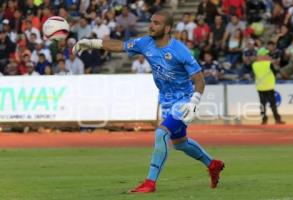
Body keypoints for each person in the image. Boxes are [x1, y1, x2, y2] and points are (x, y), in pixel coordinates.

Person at [73, 10, 224, 193]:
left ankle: (150, 182)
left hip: (182, 102)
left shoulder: (180, 50)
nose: (151, 25)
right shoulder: (145, 43)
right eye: (151, 21)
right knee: (180, 143)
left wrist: (193, 103)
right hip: (166, 101)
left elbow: (199, 79)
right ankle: (212, 164)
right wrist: (91, 43)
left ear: (167, 28)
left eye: (157, 23)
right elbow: (119, 45)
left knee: (161, 133)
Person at [251, 48, 285, 125]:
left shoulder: (254, 65)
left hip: (260, 87)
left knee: (262, 104)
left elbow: (254, 74)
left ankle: (264, 120)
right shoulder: (269, 64)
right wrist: (274, 63)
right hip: (269, 87)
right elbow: (276, 72)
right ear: (262, 56)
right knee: (273, 104)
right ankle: (277, 119)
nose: (268, 56)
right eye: (266, 55)